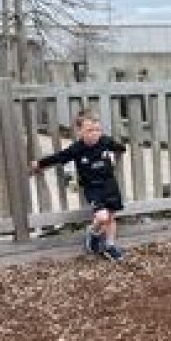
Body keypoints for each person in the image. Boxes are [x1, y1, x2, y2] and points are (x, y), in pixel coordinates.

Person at [30, 110, 127, 262]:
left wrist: (120, 149)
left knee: (112, 217)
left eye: (97, 130)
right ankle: (93, 233)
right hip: (93, 188)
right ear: (80, 131)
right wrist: (40, 163)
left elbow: (118, 147)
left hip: (110, 185)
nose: (94, 134)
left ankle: (110, 245)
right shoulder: (77, 149)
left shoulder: (106, 141)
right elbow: (60, 157)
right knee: (102, 217)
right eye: (89, 130)